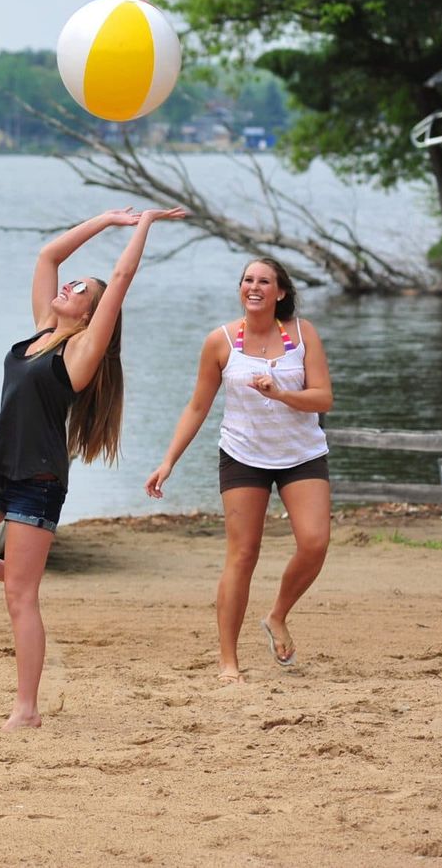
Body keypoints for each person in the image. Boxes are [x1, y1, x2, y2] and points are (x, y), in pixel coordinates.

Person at [0, 207, 185, 731]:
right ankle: (18, 577)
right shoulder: (41, 332)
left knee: (21, 600)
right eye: (71, 284)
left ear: (91, 316)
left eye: (81, 291)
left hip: (37, 483)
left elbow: (120, 280)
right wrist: (106, 219)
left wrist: (143, 226)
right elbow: (48, 254)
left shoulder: (81, 353)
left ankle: (26, 709)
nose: (69, 286)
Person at [144, 256, 333, 681]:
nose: (254, 286)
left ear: (280, 292)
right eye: (248, 279)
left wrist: (284, 394)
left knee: (315, 542)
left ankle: (277, 614)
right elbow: (197, 407)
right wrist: (168, 461)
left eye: (264, 281)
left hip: (301, 454)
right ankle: (228, 661)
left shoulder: (303, 336)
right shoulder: (220, 342)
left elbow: (322, 399)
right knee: (243, 554)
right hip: (243, 455)